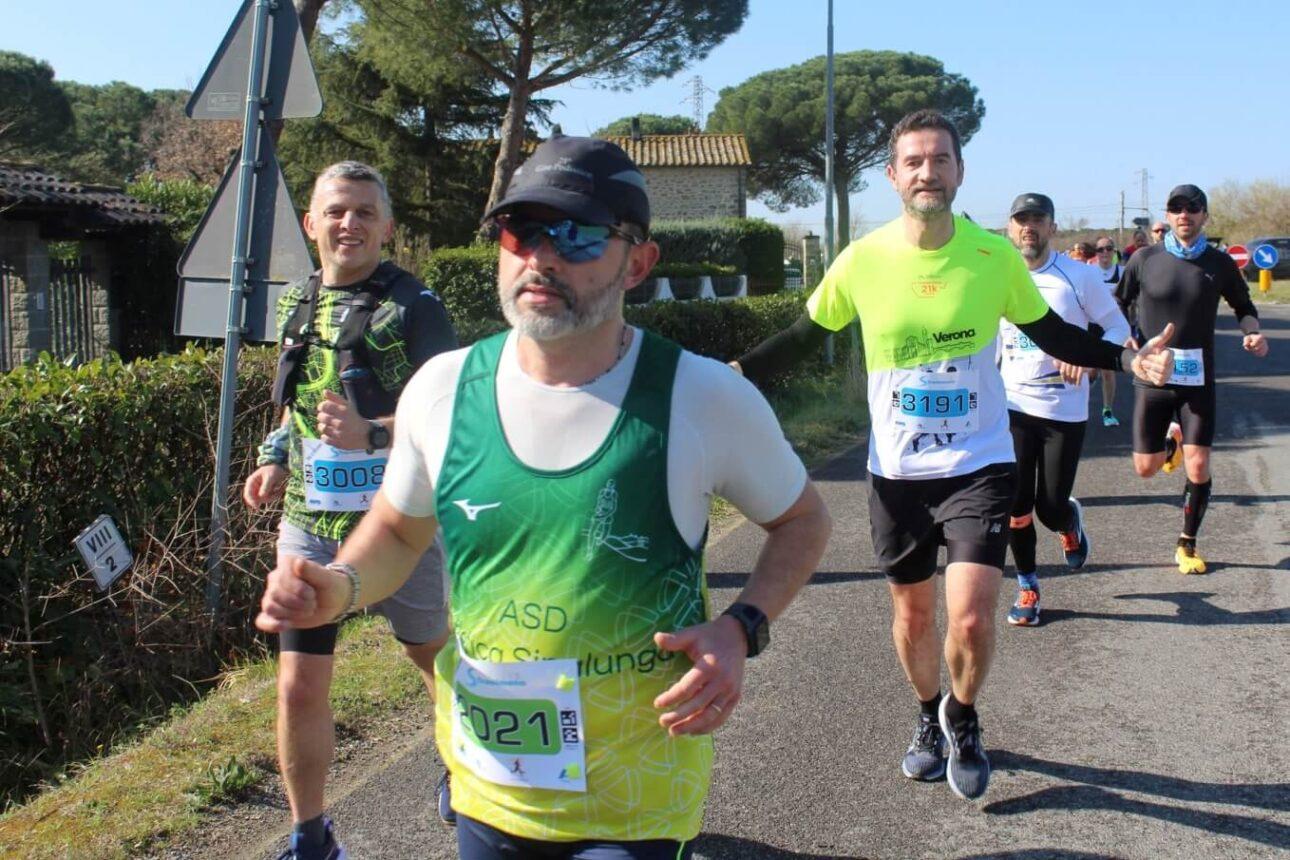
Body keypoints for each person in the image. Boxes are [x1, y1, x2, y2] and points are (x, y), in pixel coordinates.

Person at [255, 135, 832, 859]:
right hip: (489, 783)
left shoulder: (703, 394)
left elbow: (804, 520)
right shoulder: (442, 389)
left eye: (580, 235)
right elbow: (400, 533)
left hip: (633, 801)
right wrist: (338, 586)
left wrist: (743, 625)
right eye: (522, 231)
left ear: (640, 263)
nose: (542, 255)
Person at [730, 109, 1174, 801]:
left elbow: (1054, 332)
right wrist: (732, 376)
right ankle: (926, 718)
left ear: (960, 172)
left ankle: (963, 717)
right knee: (912, 616)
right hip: (898, 473)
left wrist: (1126, 357)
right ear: (892, 175)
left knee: (969, 615)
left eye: (940, 159)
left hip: (981, 464)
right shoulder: (864, 260)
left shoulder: (992, 256)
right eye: (913, 161)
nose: (927, 171)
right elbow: (800, 335)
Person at [243, 161, 458, 860]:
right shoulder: (294, 303)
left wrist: (373, 434)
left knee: (435, 661)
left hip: (402, 522)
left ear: (388, 228)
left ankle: (465, 766)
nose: (349, 224)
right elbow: (297, 398)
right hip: (310, 520)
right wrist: (276, 453)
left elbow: (456, 421)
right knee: (299, 683)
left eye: (366, 212)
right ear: (311, 224)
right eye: (336, 211)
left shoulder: (416, 307)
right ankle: (311, 836)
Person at [1116, 184, 1269, 574]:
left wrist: (1251, 331)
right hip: (1153, 377)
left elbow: (1244, 306)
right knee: (1145, 469)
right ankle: (1171, 443)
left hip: (1198, 381)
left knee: (1198, 467)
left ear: (1205, 216)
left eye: (1193, 208)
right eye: (1176, 208)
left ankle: (1187, 542)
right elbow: (1116, 305)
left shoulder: (1219, 264)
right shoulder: (1145, 259)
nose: (1184, 214)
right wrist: (1124, 338)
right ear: (1167, 216)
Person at [998, 195, 1131, 626]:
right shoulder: (997, 278)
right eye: (1022, 220)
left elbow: (1117, 327)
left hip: (1063, 410)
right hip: (1012, 406)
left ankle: (1068, 521)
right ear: (1010, 227)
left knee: (1048, 507)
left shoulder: (1078, 276)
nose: (1029, 227)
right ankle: (1028, 585)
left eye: (1038, 219)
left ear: (1053, 228)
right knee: (1016, 506)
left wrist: (1089, 358)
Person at [1090, 236, 1125, 427]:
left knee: (1108, 371)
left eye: (1108, 249)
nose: (1104, 253)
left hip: (1111, 326)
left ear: (1114, 252)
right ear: (1096, 253)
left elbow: (1131, 302)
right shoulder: (1089, 272)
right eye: (1100, 249)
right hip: (1092, 325)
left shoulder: (1123, 272)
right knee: (1089, 371)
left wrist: (1133, 327)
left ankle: (1107, 410)